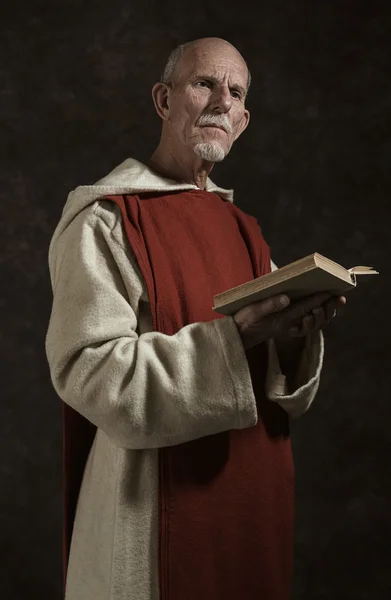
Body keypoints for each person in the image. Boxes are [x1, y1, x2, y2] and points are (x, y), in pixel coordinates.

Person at [46, 37, 345, 600]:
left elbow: (279, 382)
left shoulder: (244, 228)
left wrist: (295, 338)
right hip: (154, 507)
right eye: (203, 83)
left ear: (244, 121)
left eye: (235, 93)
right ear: (163, 99)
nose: (221, 103)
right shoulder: (107, 221)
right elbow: (91, 372)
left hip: (249, 505)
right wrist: (234, 340)